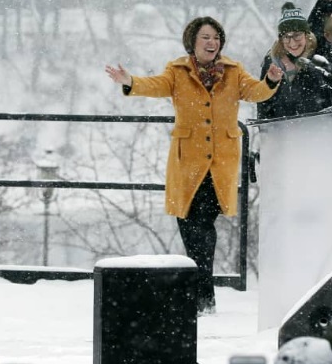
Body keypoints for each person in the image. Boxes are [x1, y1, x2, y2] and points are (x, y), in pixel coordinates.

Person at [105, 16, 283, 315]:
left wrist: (272, 81)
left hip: (220, 162)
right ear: (192, 42)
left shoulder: (233, 71)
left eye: (215, 37)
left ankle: (203, 296)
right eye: (205, 37)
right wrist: (130, 82)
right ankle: (202, 293)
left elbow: (256, 92)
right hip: (187, 161)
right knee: (188, 225)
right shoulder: (177, 71)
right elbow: (156, 85)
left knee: (203, 224)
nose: (211, 42)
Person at [257, 0, 332, 120]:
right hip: (289, 132)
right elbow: (264, 101)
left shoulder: (319, 50)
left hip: (325, 127)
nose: (293, 43)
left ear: (306, 34)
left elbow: (319, 15)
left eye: (297, 35)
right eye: (287, 37)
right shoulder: (272, 60)